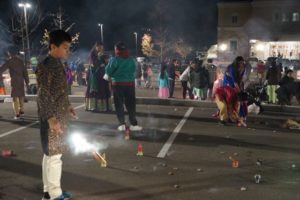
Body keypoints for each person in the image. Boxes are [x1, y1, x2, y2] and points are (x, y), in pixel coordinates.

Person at [36, 30, 76, 200]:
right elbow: (43, 94)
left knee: (50, 155)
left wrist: (68, 107)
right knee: (54, 157)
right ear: (53, 46)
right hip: (52, 118)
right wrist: (51, 118)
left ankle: (49, 192)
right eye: (65, 47)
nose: (68, 51)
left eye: (69, 48)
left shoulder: (57, 63)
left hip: (59, 115)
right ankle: (54, 195)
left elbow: (59, 92)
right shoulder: (45, 66)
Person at [104, 42, 142, 131]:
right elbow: (134, 70)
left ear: (117, 50)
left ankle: (122, 124)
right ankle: (134, 124)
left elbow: (108, 71)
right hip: (130, 84)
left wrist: (113, 75)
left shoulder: (115, 59)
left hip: (118, 84)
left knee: (119, 104)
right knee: (131, 104)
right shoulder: (131, 59)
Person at [0, 47, 29, 119]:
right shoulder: (21, 61)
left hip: (14, 81)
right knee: (21, 95)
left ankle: (17, 114)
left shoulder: (9, 61)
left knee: (15, 98)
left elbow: (2, 69)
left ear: (10, 53)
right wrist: (27, 82)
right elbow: (25, 72)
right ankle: (21, 110)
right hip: (21, 81)